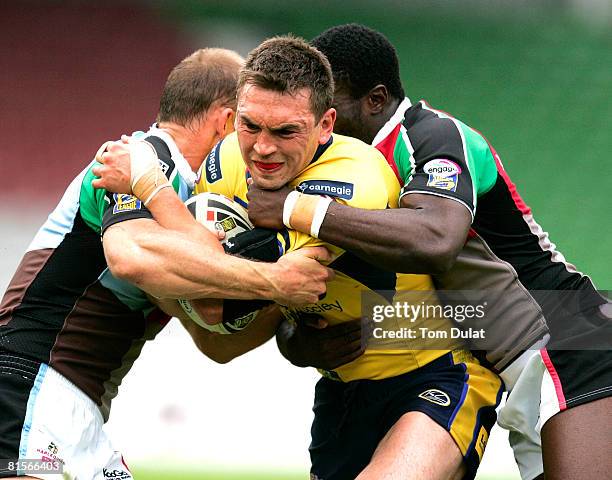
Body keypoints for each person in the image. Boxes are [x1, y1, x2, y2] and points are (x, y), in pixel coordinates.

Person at [98, 35, 504, 480]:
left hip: (434, 373)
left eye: (285, 131)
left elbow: (218, 300)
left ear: (326, 124)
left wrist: (150, 187)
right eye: (250, 126)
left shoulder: (357, 178)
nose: (263, 149)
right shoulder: (225, 159)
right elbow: (224, 308)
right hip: (339, 391)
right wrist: (290, 335)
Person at [245, 24, 612, 480]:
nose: (322, 122)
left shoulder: (433, 136)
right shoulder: (340, 170)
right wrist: (297, 341)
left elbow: (435, 242)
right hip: (514, 362)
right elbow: (419, 302)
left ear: (375, 101)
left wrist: (292, 207)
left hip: (571, 335)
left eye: (329, 105)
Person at [0, 48, 332, 480]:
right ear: (227, 120)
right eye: (250, 125)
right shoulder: (144, 158)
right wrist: (274, 279)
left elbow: (216, 339)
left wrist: (297, 291)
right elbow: (130, 256)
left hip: (70, 404)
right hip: (30, 386)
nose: (257, 145)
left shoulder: (184, 195)